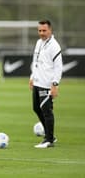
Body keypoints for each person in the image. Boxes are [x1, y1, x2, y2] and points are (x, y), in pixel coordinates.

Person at [29, 20, 63, 148]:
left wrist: (55, 84)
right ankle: (50, 136)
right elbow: (35, 60)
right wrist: (32, 76)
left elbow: (58, 67)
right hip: (37, 82)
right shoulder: (39, 42)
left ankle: (49, 140)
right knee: (36, 108)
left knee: (47, 111)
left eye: (44, 30)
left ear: (50, 30)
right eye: (40, 30)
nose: (42, 33)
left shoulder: (54, 46)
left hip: (47, 84)